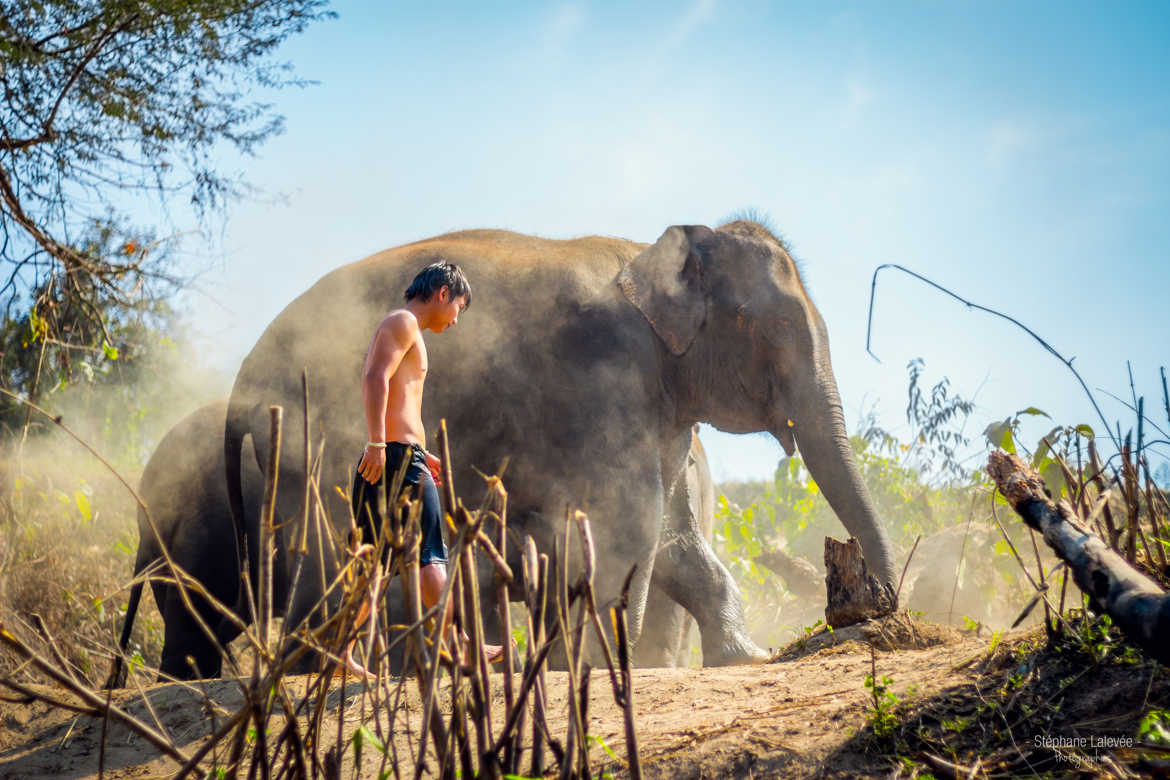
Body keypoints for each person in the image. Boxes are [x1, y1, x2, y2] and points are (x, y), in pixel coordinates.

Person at [347, 260, 502, 676]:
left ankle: (341, 652)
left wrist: (416, 447)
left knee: (374, 565)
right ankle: (457, 642)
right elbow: (375, 379)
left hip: (396, 455)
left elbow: (399, 395)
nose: (456, 320)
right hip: (394, 459)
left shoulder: (406, 328)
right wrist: (380, 443)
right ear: (443, 294)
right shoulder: (403, 323)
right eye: (459, 309)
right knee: (432, 554)